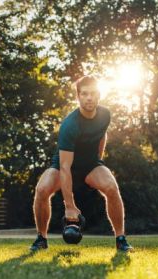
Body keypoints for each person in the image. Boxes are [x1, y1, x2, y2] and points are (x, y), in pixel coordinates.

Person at [30, 75, 133, 252]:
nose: (89, 98)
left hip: (90, 165)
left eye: (93, 93)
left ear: (99, 95)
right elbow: (65, 167)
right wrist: (69, 206)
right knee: (41, 190)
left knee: (111, 187)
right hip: (63, 165)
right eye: (84, 94)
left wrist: (98, 161)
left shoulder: (105, 115)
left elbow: (102, 134)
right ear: (78, 97)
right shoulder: (70, 125)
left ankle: (121, 239)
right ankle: (41, 239)